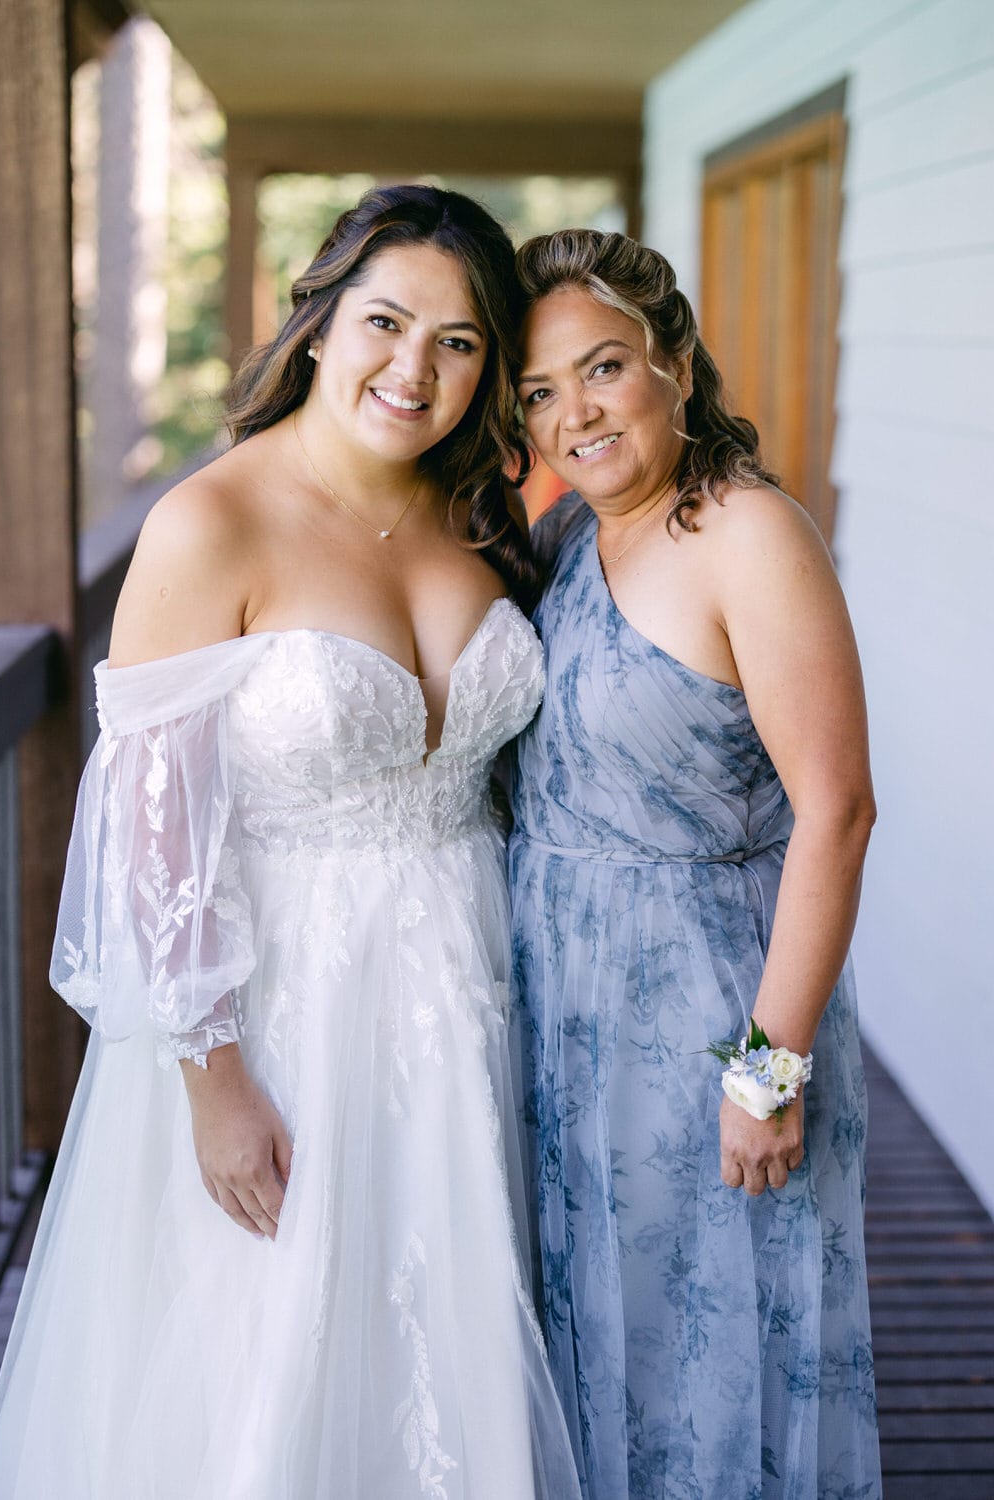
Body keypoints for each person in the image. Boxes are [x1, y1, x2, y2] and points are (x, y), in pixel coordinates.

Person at [0, 186, 581, 1500]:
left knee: (455, 1307)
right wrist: (216, 1083)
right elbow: (155, 830)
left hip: (467, 983)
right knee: (271, 1340)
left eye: (458, 341)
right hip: (283, 1009)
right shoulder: (214, 522)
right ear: (318, 324)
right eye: (385, 321)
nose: (412, 367)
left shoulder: (478, 517)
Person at [507, 229, 882, 1500]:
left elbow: (835, 812)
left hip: (709, 1019)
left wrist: (767, 1073)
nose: (575, 413)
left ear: (671, 359)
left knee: (715, 1362)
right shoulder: (568, 538)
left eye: (602, 367)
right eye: (539, 393)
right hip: (569, 1020)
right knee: (598, 1352)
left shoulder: (746, 532)